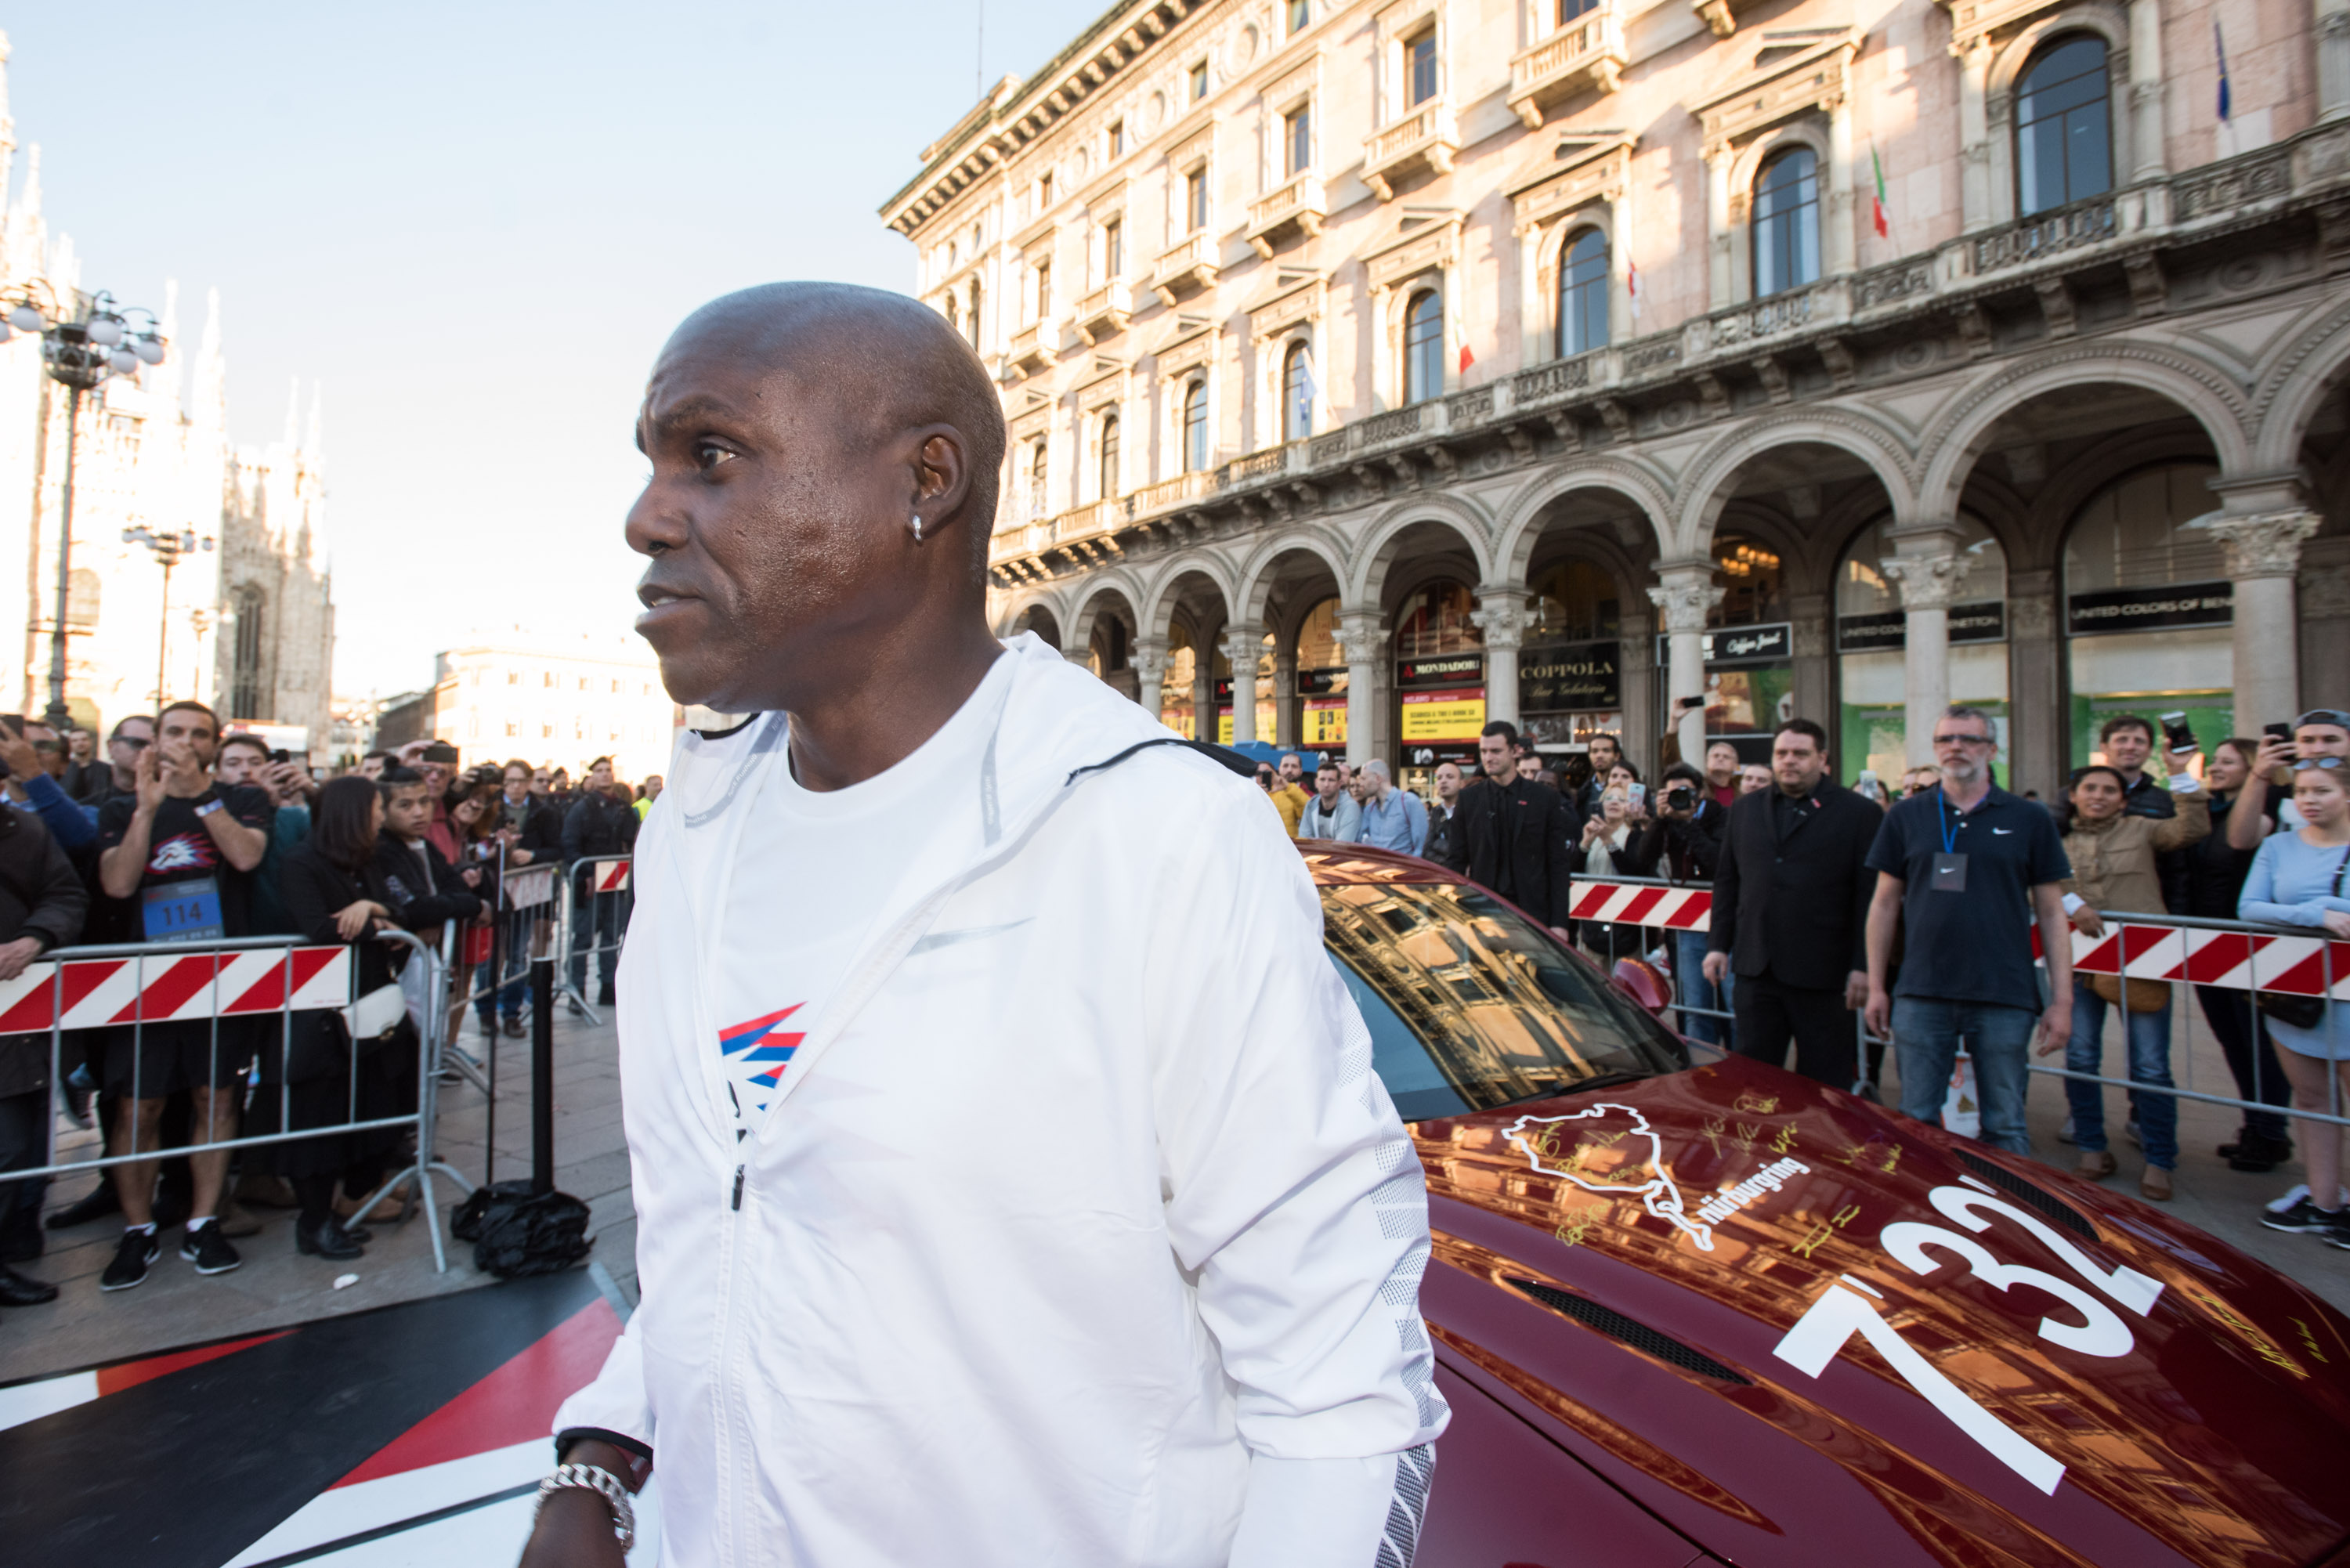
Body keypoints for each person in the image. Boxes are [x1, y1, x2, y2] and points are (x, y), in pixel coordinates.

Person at [524, 283, 1442, 1568]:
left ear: (926, 480)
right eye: (657, 462)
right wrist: (608, 1455)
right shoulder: (696, 822)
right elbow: (731, 1215)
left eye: (712, 455)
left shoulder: (1158, 837)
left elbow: (1341, 1387)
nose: (648, 513)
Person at [93, 700, 275, 1289]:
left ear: (214, 747)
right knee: (137, 1106)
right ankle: (138, 1230)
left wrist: (203, 794)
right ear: (156, 740)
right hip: (145, 981)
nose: (187, 742)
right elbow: (119, 883)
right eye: (176, 732)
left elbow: (246, 855)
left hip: (220, 980)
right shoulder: (121, 805)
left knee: (216, 1100)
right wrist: (148, 812)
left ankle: (203, 1222)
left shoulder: (241, 799)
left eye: (201, 735)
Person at [1863, 705, 2073, 1157]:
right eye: (1945, 739)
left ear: (1992, 749)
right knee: (1916, 1122)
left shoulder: (2029, 817)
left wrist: (2063, 1000)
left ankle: (2011, 1221)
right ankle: (1923, 1213)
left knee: (2006, 1125)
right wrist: (1878, 986)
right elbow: (1883, 905)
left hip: (2004, 994)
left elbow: (2053, 914)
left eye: (1969, 739)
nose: (1955, 747)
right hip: (1922, 992)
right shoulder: (1906, 816)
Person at [245, 775, 417, 1262]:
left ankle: (352, 1198)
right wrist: (376, 926)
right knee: (319, 1119)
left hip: (370, 1004)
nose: (382, 817)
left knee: (378, 1105)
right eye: (378, 808)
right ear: (353, 813)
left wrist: (372, 909)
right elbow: (321, 930)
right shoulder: (302, 861)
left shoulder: (367, 862)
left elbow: (399, 909)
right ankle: (315, 1223)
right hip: (319, 1016)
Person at [2042, 760, 2211, 1201]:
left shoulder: (2143, 830)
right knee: (2080, 1056)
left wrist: (2181, 775)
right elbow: (2039, 881)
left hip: (2143, 965)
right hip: (2080, 966)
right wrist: (2074, 903)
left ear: (2124, 798)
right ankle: (2092, 1148)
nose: (2099, 796)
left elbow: (2189, 831)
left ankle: (2160, 1159)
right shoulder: (2055, 839)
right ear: (2074, 796)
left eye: (2109, 790)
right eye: (2090, 788)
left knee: (2151, 1065)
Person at [1704, 720, 1882, 1086]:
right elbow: (1728, 882)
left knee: (1824, 1088)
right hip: (1757, 971)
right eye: (1781, 753)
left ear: (1822, 758)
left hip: (1824, 978)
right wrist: (1718, 946)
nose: (1789, 761)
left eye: (1800, 754)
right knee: (1752, 1084)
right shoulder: (1745, 809)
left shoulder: (1859, 814)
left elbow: (1870, 897)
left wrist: (1863, 966)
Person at [2242, 758, 2350, 1247]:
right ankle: (2324, 1200)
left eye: (2322, 790)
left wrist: (2308, 915)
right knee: (2311, 1098)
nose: (2309, 799)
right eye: (2303, 790)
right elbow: (2250, 908)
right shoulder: (2276, 846)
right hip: (2297, 996)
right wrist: (2317, 914)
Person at [2190, 739, 2295, 1171]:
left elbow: (2240, 841)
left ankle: (2271, 1132)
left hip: (2250, 942)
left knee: (2260, 1042)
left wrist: (2260, 780)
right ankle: (2253, 1123)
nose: (2215, 767)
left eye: (2227, 761)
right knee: (2232, 1040)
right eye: (2215, 760)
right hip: (2204, 937)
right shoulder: (2207, 807)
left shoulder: (2274, 802)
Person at [0, 802, 85, 1310]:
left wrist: (37, 936)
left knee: (12, 1146)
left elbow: (66, 893)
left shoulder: (23, 829)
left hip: (15, 1028)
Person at [1436, 721, 1577, 941]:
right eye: (1484, 751)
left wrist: (1559, 923)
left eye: (1496, 751)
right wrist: (1451, 914)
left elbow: (1558, 864)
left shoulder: (1544, 798)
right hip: (1483, 913)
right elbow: (1456, 861)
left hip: (1533, 913)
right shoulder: (1469, 799)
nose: (1488, 757)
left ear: (1515, 751)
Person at [563, 755, 639, 1010]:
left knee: (611, 937)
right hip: (589, 884)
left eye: (608, 770)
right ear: (592, 776)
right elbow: (570, 845)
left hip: (617, 882)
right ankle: (577, 988)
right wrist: (585, 873)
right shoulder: (581, 808)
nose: (605, 774)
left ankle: (608, 986)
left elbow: (631, 844)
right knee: (583, 939)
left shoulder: (623, 808)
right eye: (599, 771)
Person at [2094, 714, 2189, 914]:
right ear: (2104, 747)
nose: (2130, 746)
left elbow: (2178, 865)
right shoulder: (2076, 796)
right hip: (2089, 910)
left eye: (2139, 741)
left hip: (2146, 910)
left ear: (2149, 750)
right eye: (2122, 740)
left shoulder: (2166, 801)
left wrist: (2178, 914)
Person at [2230, 707, 2350, 849]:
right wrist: (2259, 774)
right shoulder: (2279, 795)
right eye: (2308, 740)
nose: (2318, 749)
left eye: (2330, 740)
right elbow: (2241, 841)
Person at [1568, 784, 1649, 958]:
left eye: (1622, 800)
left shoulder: (1634, 836)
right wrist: (1586, 843)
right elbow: (1574, 871)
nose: (1614, 803)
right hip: (1591, 922)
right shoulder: (1591, 832)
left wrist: (1608, 840)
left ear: (1629, 806)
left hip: (1624, 923)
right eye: (1609, 798)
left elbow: (1632, 871)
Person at [1352, 758, 1426, 854]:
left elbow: (1421, 847)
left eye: (1364, 778)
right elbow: (1361, 844)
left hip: (1404, 867)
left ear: (1378, 779)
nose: (1361, 784)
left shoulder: (1409, 802)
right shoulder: (1369, 810)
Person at [1296, 758, 1361, 840]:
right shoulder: (1311, 804)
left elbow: (1343, 844)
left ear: (1339, 784)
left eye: (1331, 780)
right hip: (1315, 853)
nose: (1326, 784)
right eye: (1322, 780)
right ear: (1316, 783)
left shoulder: (1350, 807)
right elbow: (1304, 839)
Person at [1423, 760, 1464, 865]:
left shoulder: (1471, 810)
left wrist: (1439, 844)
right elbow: (1427, 853)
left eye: (1450, 777)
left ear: (1462, 783)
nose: (1443, 781)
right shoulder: (1437, 812)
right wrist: (1450, 862)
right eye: (1439, 778)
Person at [1265, 753, 1311, 837]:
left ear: (1301, 771)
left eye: (1294, 766)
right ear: (1279, 769)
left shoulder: (1308, 793)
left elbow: (1309, 814)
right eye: (1285, 766)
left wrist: (1288, 787)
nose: (1289, 770)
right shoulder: (1269, 792)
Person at [1704, 741, 1741, 811]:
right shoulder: (1699, 787)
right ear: (1707, 762)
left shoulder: (1741, 794)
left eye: (1726, 757)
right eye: (1716, 756)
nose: (1720, 759)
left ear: (1735, 765)